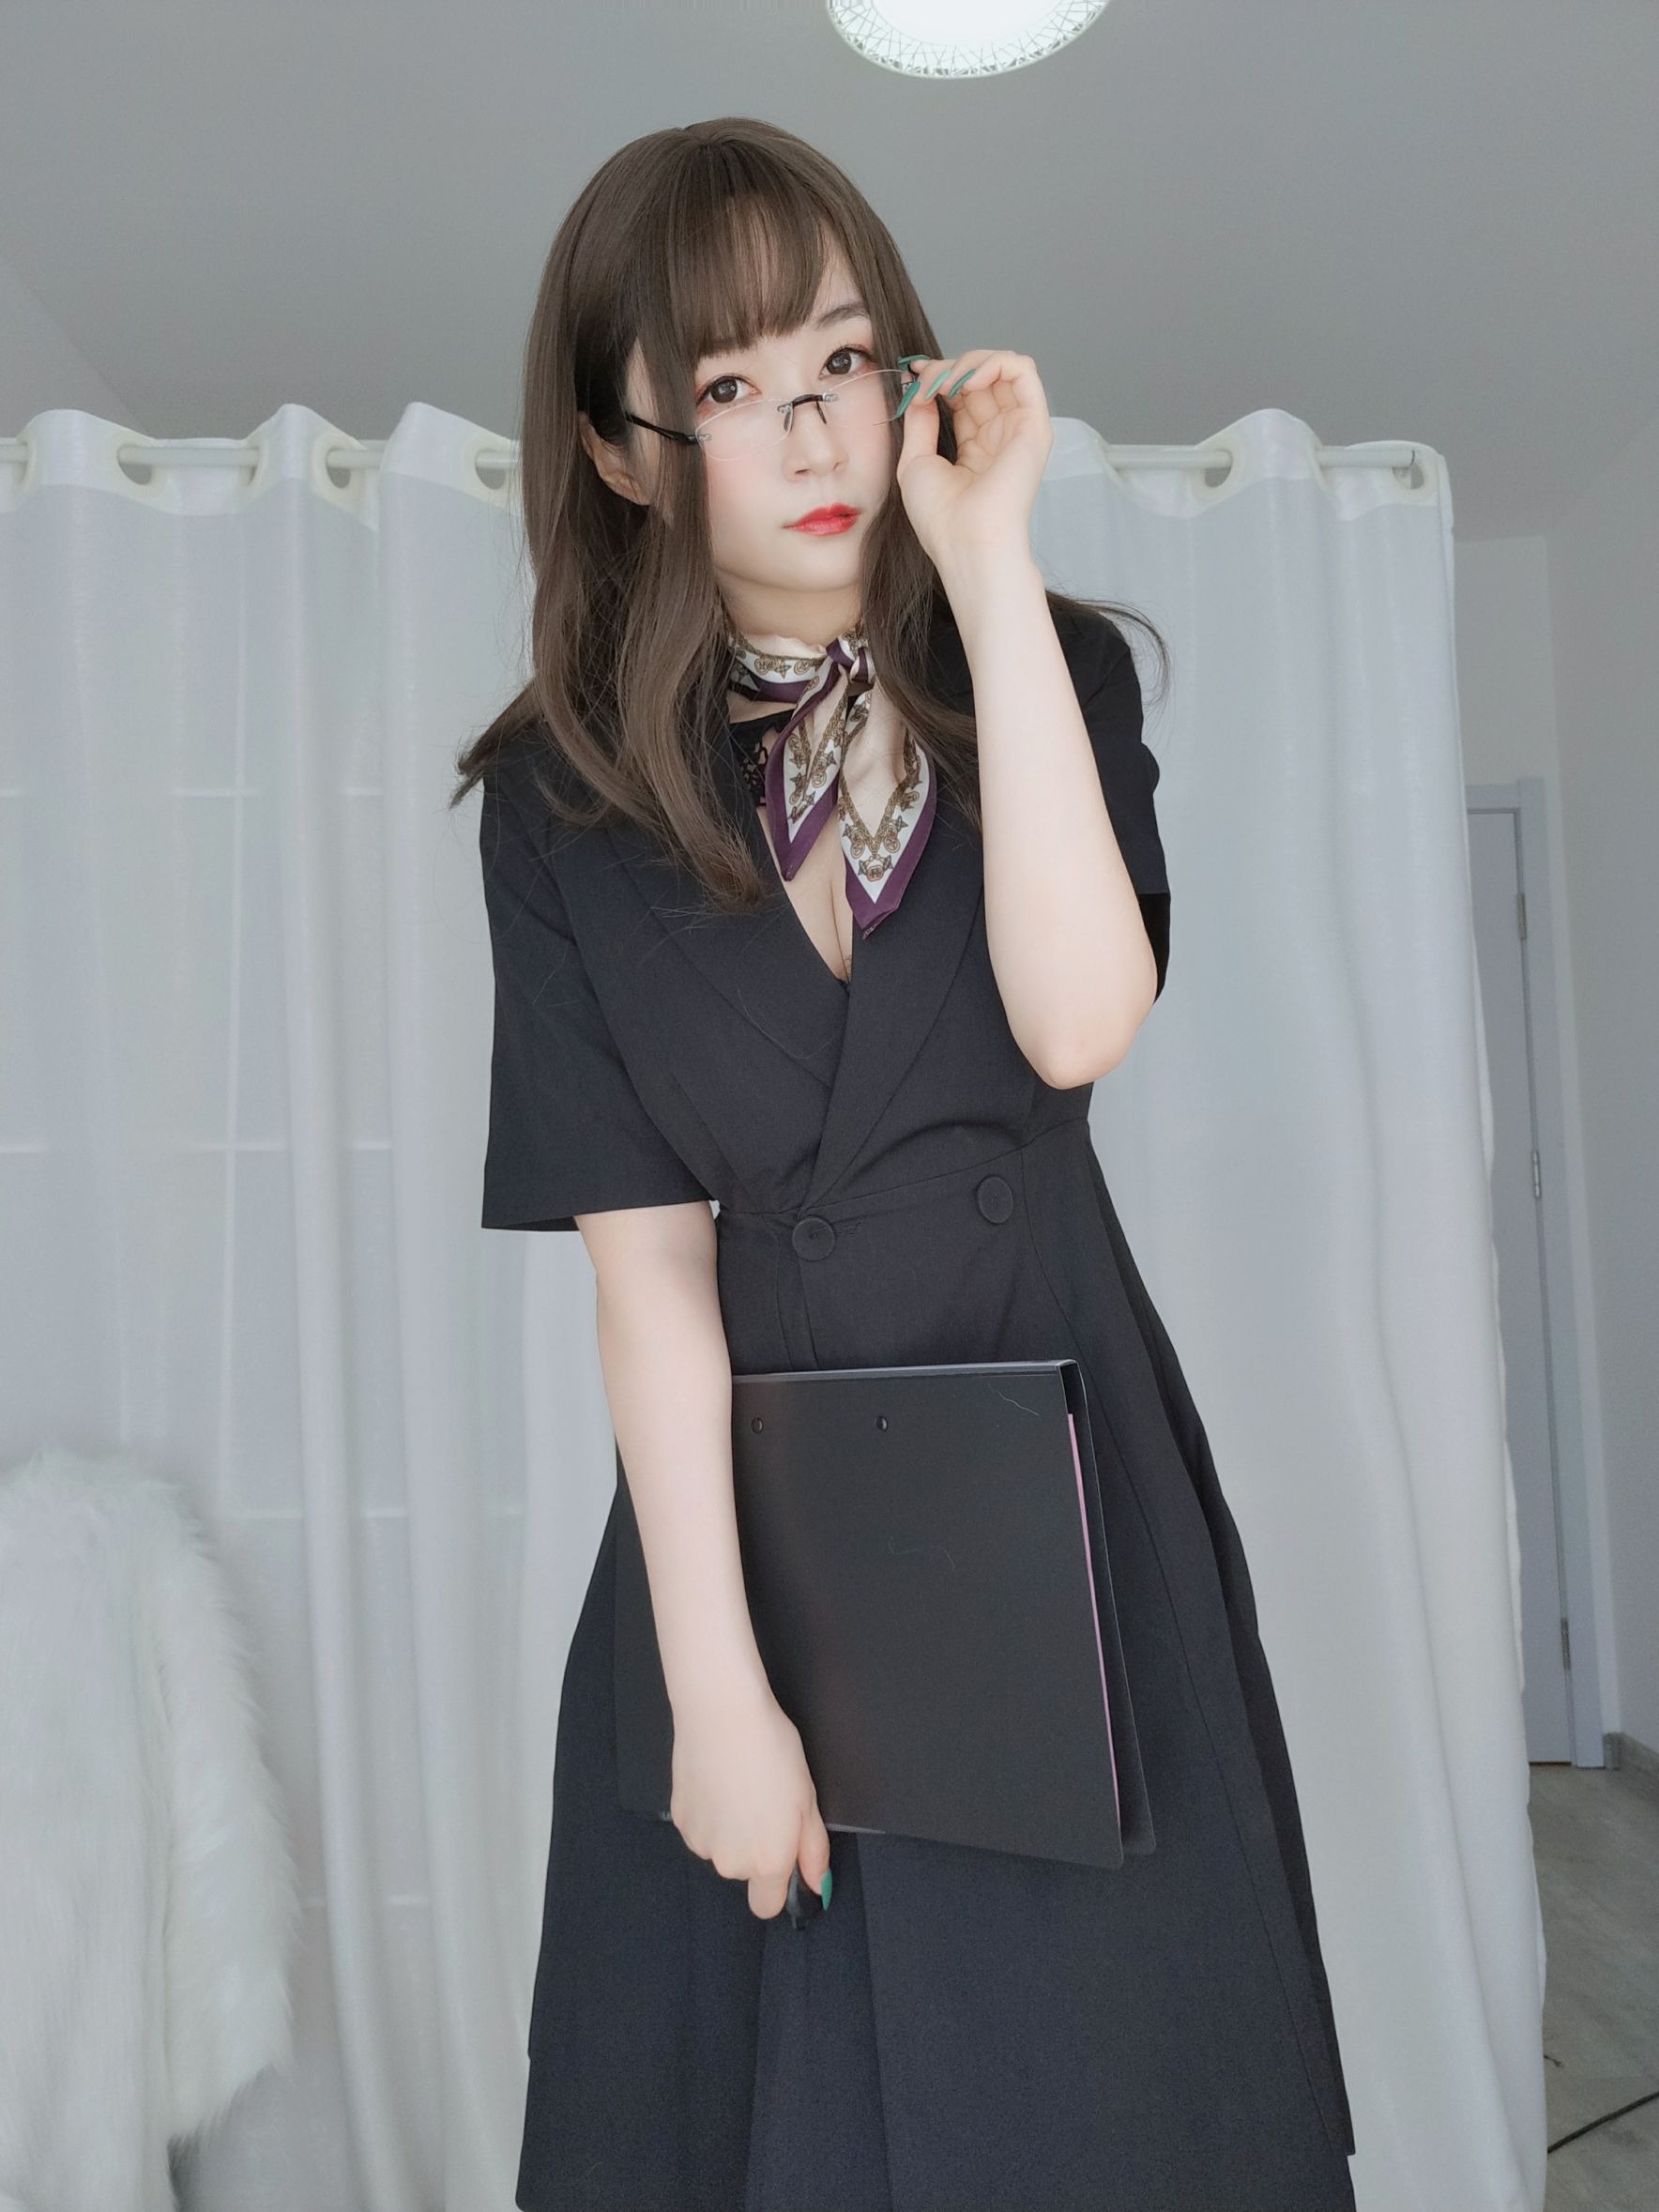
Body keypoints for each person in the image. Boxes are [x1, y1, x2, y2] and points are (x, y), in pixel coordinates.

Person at [451, 117, 1357, 2212]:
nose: (809, 434)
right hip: (753, 1534)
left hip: (1061, 1484)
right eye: (731, 385)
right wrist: (715, 1689)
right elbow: (645, 1267)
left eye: (841, 360)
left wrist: (990, 568)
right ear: (620, 455)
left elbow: (1076, 1021)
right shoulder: (560, 805)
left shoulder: (1047, 666)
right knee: (750, 2120)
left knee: (1108, 2107)